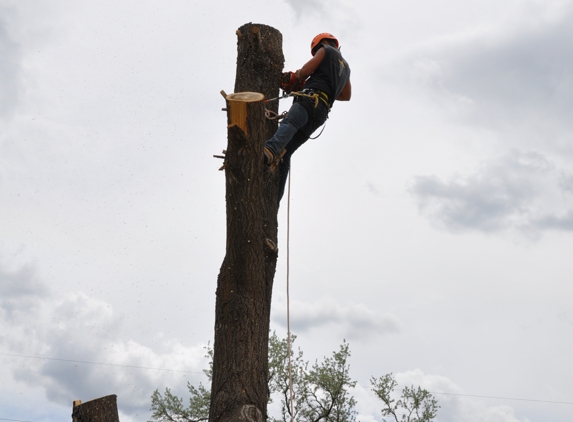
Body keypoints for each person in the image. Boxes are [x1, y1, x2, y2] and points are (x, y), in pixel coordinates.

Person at [264, 33, 352, 204]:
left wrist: (297, 77)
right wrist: (326, 89)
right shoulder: (346, 67)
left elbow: (306, 71)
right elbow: (346, 95)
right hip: (320, 114)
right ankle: (275, 200)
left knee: (290, 123)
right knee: (286, 152)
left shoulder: (325, 49)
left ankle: (269, 150)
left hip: (310, 100)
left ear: (324, 43)